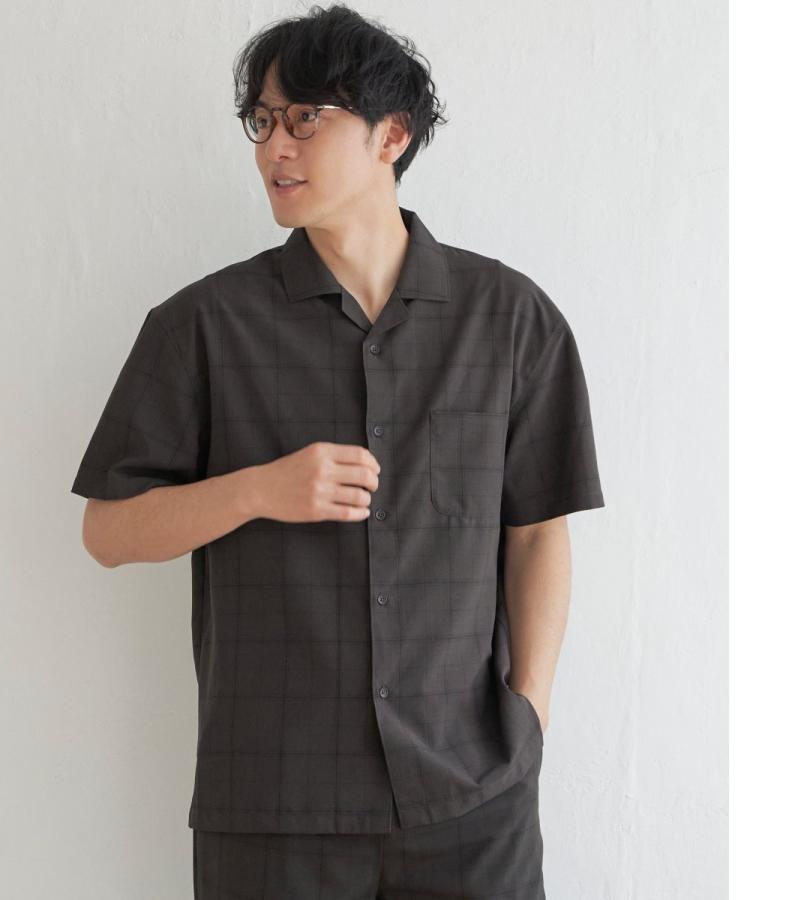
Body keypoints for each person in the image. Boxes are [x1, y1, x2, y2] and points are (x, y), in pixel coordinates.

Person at [70, 5, 605, 898]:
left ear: (391, 135)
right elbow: (108, 532)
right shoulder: (202, 326)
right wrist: (258, 489)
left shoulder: (511, 320)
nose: (273, 148)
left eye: (304, 118)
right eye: (262, 121)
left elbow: (539, 531)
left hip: (474, 799)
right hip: (272, 805)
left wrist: (532, 713)